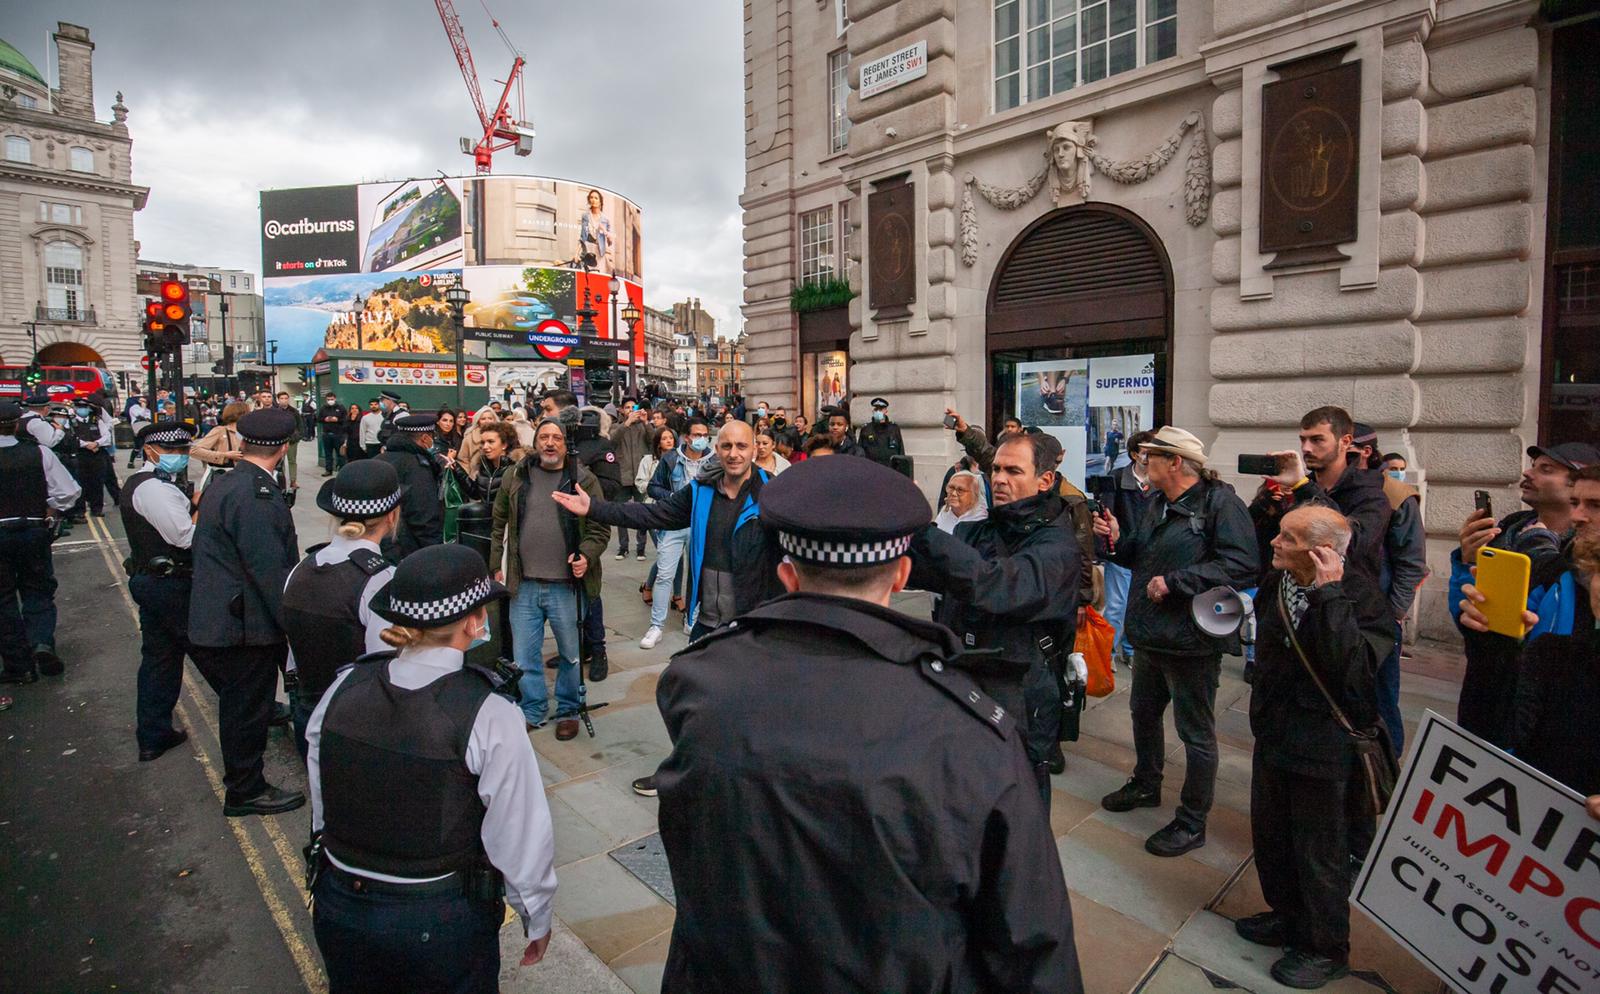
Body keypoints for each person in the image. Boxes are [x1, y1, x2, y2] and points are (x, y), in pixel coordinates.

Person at [654, 454, 1084, 993]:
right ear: (902, 574)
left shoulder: (694, 683)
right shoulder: (973, 736)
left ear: (787, 575)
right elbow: (1029, 947)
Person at [305, 544, 557, 993]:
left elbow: (323, 787)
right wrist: (535, 914)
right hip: (436, 915)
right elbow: (519, 833)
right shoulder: (490, 714)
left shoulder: (344, 686)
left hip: (340, 901)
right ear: (472, 621)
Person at [554, 420, 782, 792]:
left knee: (749, 706)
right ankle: (687, 772)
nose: (734, 454)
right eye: (726, 447)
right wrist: (594, 508)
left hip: (753, 622)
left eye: (742, 446)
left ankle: (748, 779)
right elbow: (650, 514)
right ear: (716, 450)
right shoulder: (701, 491)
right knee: (686, 695)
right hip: (709, 620)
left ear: (754, 449)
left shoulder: (772, 494)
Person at [1237, 505, 1384, 990]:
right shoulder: (1279, 582)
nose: (1275, 543)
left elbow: (1354, 672)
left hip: (1324, 748)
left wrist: (1330, 595)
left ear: (1321, 552)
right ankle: (1288, 917)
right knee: (1272, 836)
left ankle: (1326, 947)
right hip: (1276, 734)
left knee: (1319, 850)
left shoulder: (1359, 597)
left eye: (1289, 538)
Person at [1094, 427, 1258, 857]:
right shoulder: (1157, 503)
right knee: (1143, 714)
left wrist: (1177, 582)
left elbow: (1242, 564)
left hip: (1191, 642)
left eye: (1150, 456)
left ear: (1176, 463)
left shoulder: (1221, 503)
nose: (1142, 462)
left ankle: (1191, 822)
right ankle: (1146, 784)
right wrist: (1114, 537)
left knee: (1195, 732)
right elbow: (1138, 554)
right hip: (1151, 635)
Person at [910, 430, 1083, 804]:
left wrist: (923, 531)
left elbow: (999, 587)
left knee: (1020, 797)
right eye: (996, 470)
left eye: (1013, 471)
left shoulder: (1057, 546)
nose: (1000, 479)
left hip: (1021, 689)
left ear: (1045, 480)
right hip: (965, 676)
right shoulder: (978, 531)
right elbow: (926, 571)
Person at [186, 407, 305, 817]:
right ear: (283, 447)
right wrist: (292, 627)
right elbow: (269, 570)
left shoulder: (228, 482)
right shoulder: (256, 495)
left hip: (224, 617)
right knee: (245, 711)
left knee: (244, 706)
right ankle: (245, 789)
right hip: (242, 625)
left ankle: (244, 783)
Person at [1449, 440, 1599, 744]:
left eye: (1546, 469)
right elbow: (1479, 628)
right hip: (1510, 711)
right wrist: (1467, 567)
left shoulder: (1570, 565)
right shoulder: (1505, 532)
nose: (1529, 474)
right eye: (1577, 504)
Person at [488, 419, 609, 739]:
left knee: (570, 653)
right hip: (524, 584)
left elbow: (600, 528)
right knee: (524, 655)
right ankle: (533, 708)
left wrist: (586, 555)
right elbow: (499, 520)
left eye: (556, 437)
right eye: (544, 437)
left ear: (565, 443)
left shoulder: (582, 478)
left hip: (566, 587)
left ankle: (568, 709)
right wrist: (495, 565)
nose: (550, 443)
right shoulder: (516, 475)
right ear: (536, 442)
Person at [281, 460, 402, 759]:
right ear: (392, 516)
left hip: (307, 709)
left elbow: (293, 655)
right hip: (355, 722)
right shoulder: (380, 579)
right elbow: (383, 669)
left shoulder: (302, 567)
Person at [119, 420, 200, 762]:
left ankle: (153, 735)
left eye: (183, 450)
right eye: (172, 451)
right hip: (169, 583)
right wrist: (203, 510)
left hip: (152, 581)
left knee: (160, 660)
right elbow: (184, 536)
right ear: (151, 451)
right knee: (210, 650)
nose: (179, 457)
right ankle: (254, 709)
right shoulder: (154, 488)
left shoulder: (150, 484)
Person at [1350, 423, 1428, 751]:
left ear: (1366, 451)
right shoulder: (1323, 489)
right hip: (1340, 611)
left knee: (1382, 696)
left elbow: (1411, 562)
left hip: (1378, 617)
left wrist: (1393, 611)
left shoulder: (1396, 495)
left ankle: (1387, 771)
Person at [0, 400, 81, 685]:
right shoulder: (39, 453)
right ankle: (41, 642)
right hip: (34, 529)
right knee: (38, 589)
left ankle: (17, 664)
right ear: (16, 424)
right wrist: (50, 507)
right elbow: (69, 492)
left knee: (4, 599)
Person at [637, 422, 709, 645]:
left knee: (698, 574)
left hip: (700, 523)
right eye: (697, 435)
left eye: (705, 435)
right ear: (687, 438)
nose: (702, 439)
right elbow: (653, 487)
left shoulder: (714, 460)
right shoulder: (670, 459)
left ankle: (692, 620)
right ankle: (656, 626)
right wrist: (672, 499)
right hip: (673, 522)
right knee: (665, 573)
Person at [1101, 430, 1158, 666]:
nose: (1150, 459)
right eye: (1146, 453)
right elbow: (1107, 514)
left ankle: (1131, 649)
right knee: (1117, 606)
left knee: (1141, 604)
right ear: (1134, 454)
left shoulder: (1159, 481)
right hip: (1122, 552)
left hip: (1149, 553)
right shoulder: (1116, 478)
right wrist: (1112, 545)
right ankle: (1108, 654)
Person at [377, 412, 445, 560]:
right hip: (407, 548)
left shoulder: (380, 460)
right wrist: (435, 553)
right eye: (432, 437)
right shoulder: (417, 467)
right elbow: (423, 515)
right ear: (425, 438)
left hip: (380, 542)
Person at [608, 402, 652, 561]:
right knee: (621, 513)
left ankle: (641, 548)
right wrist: (626, 423)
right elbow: (612, 442)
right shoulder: (617, 427)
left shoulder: (643, 427)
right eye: (627, 408)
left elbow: (653, 441)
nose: (631, 411)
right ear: (622, 410)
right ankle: (623, 547)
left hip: (640, 475)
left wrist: (646, 422)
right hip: (623, 474)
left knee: (642, 513)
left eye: (633, 408)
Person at [456, 421, 523, 504]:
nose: (485, 447)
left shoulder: (516, 468)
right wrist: (456, 469)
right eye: (483, 442)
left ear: (504, 444)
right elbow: (476, 493)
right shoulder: (484, 466)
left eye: (490, 442)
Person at [190, 401, 251, 489]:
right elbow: (194, 450)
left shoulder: (249, 432)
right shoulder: (220, 431)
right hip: (223, 479)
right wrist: (224, 455)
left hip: (245, 478)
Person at [855, 396, 905, 467]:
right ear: (873, 411)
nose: (878, 412)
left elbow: (901, 452)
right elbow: (860, 452)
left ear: (886, 411)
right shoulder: (866, 429)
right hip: (872, 469)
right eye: (876, 409)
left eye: (881, 409)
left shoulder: (894, 428)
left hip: (890, 470)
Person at [935, 468, 988, 533]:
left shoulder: (982, 520)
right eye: (951, 488)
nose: (953, 493)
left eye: (960, 490)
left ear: (974, 494)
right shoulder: (945, 513)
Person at [276, 391, 304, 489]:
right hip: (279, 440)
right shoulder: (275, 411)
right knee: (280, 462)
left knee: (292, 460)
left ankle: (293, 481)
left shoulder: (294, 411)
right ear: (278, 400)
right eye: (282, 398)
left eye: (286, 398)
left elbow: (300, 424)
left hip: (292, 439)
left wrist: (298, 436)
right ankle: (281, 481)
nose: (284, 400)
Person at [316, 392, 346, 475]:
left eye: (332, 399)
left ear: (335, 399)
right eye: (328, 399)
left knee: (340, 453)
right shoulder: (323, 408)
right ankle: (328, 470)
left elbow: (345, 419)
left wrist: (337, 419)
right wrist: (325, 419)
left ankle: (342, 469)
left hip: (338, 434)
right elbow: (318, 419)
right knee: (328, 453)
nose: (330, 401)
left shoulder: (340, 408)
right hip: (327, 434)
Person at [125, 394, 153, 468]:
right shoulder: (134, 407)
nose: (142, 402)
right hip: (138, 427)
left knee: (146, 444)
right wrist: (143, 408)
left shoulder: (149, 409)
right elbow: (139, 415)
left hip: (147, 427)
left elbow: (149, 417)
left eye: (144, 401)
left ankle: (145, 462)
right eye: (140, 400)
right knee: (138, 445)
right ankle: (131, 462)